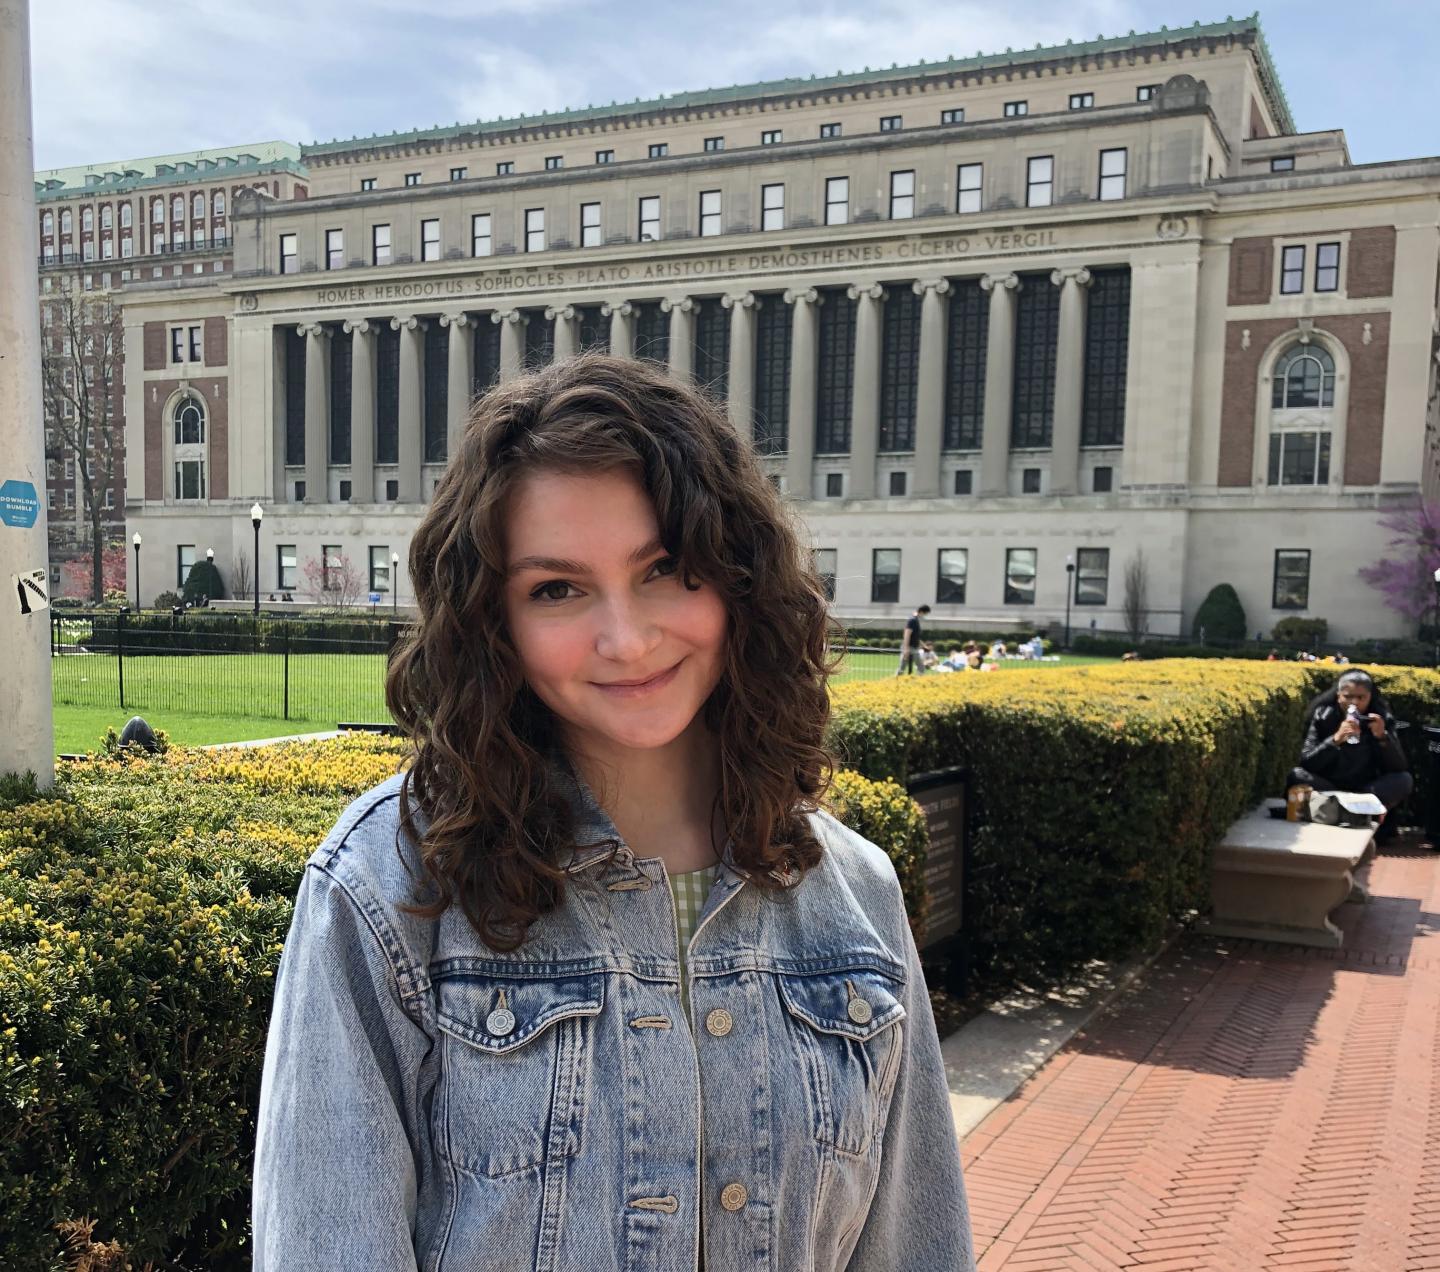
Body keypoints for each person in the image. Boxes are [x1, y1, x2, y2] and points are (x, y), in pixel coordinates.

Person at [251, 354, 973, 1272]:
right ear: (494, 621)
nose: (626, 640)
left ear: (738, 576)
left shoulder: (856, 895)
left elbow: (917, 1248)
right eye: (557, 589)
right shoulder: (386, 889)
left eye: (666, 569)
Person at [1288, 669, 1413, 842]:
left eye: (1361, 698)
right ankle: (1351, 813)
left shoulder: (1380, 717)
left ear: (1370, 697)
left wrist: (1382, 738)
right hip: (1331, 786)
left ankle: (1345, 812)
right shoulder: (1323, 715)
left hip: (1366, 789)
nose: (1354, 702)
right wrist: (1334, 740)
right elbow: (1307, 762)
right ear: (1338, 695)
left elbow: (1399, 766)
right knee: (1296, 775)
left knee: (1404, 780)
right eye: (1348, 697)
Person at [896, 603, 931, 675]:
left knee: (920, 667)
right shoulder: (912, 620)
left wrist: (924, 646)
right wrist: (906, 649)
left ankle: (915, 682)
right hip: (909, 647)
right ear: (921, 612)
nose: (924, 616)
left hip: (913, 648)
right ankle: (895, 683)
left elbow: (916, 637)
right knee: (903, 668)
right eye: (925, 614)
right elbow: (907, 634)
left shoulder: (915, 620)